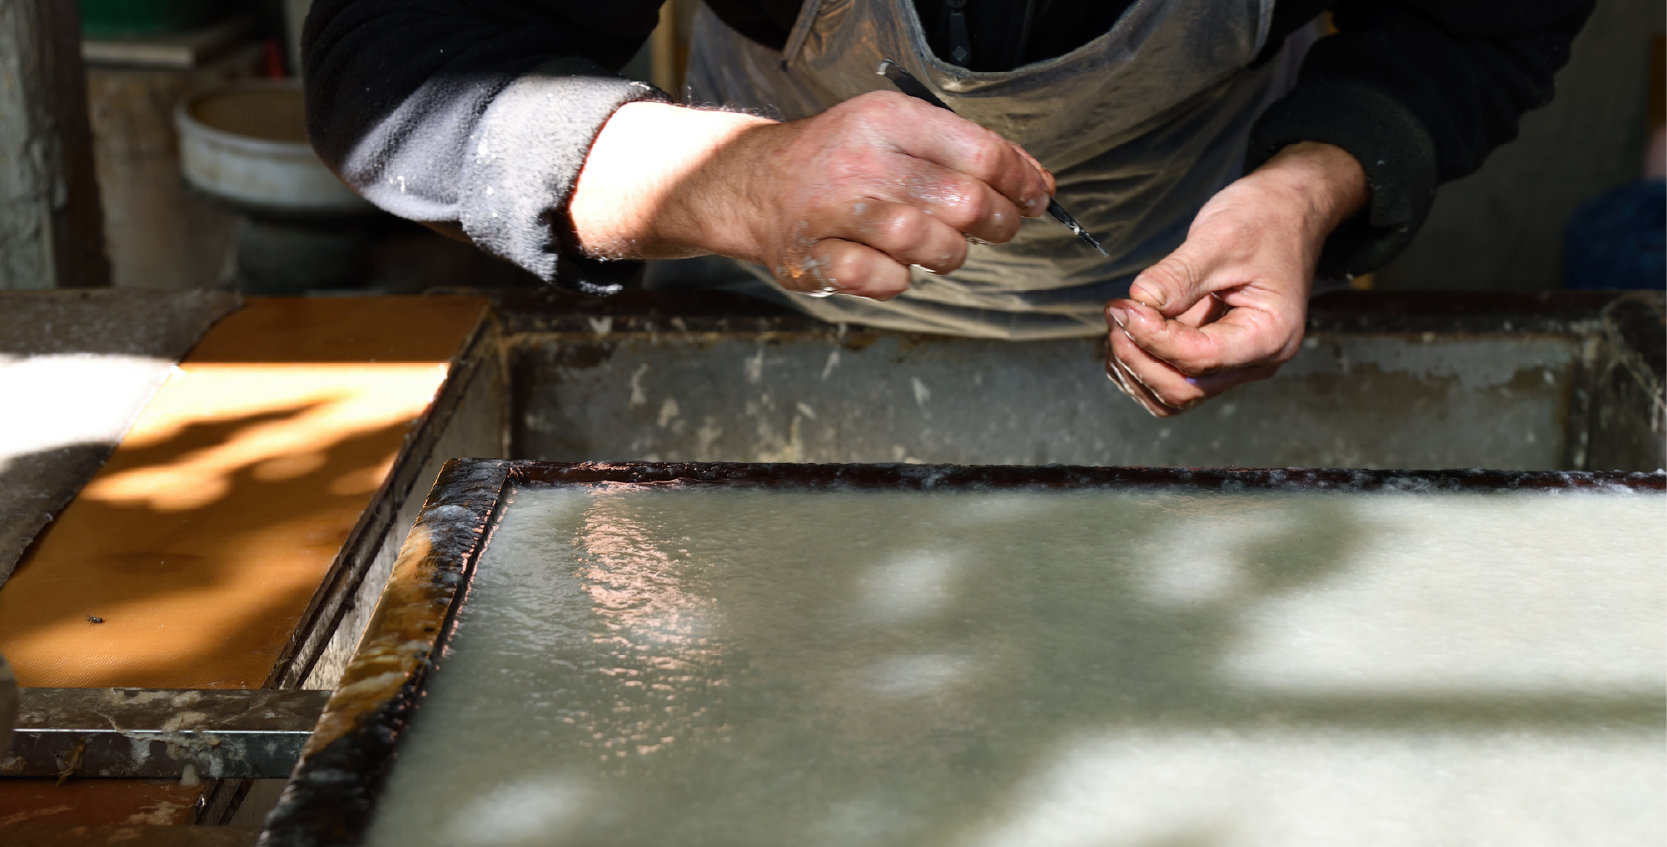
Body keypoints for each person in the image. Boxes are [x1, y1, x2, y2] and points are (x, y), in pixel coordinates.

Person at [302, 0, 1592, 415]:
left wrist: (1310, 189)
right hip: (744, 333)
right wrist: (733, 181)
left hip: (1208, 326)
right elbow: (404, 73)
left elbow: (1470, 23)